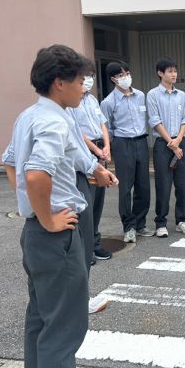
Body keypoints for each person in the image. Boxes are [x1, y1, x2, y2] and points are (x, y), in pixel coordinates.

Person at [1, 44, 101, 368]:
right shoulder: (54, 121)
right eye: (80, 81)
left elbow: (11, 163)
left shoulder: (29, 116)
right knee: (65, 321)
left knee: (41, 314)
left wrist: (31, 208)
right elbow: (35, 175)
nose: (84, 88)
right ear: (60, 82)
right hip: (54, 234)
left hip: (36, 235)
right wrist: (48, 217)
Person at [100, 61, 153, 242]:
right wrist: (112, 146)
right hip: (122, 143)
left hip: (141, 141)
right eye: (121, 75)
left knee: (143, 186)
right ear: (113, 79)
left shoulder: (140, 95)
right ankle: (128, 226)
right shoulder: (108, 102)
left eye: (127, 73)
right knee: (125, 187)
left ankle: (140, 223)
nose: (126, 77)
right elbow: (107, 128)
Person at [146, 58, 185, 237]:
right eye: (170, 71)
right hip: (163, 144)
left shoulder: (181, 95)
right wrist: (172, 144)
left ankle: (182, 221)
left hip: (180, 142)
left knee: (182, 185)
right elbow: (154, 121)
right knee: (163, 185)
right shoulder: (153, 94)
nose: (174, 74)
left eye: (175, 71)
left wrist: (179, 139)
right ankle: (161, 223)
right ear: (160, 73)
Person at [71, 68, 112, 261]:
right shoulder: (72, 101)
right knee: (86, 201)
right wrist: (95, 150)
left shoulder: (93, 100)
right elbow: (76, 131)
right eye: (85, 76)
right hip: (86, 151)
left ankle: (95, 243)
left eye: (91, 76)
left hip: (100, 149)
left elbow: (102, 124)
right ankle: (85, 248)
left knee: (98, 202)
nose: (89, 80)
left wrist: (106, 146)